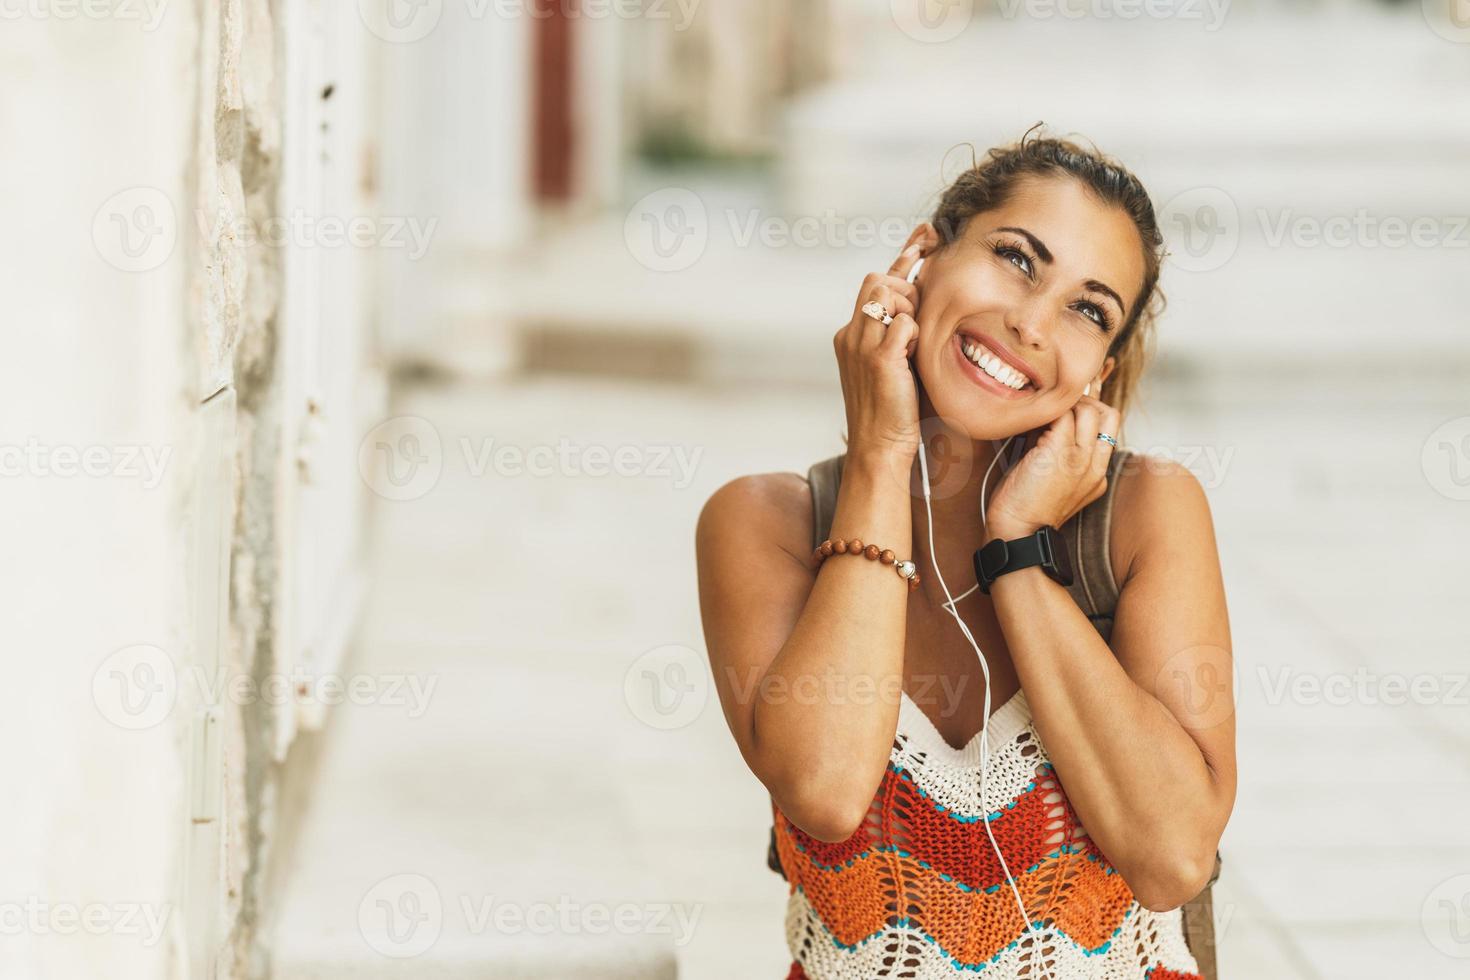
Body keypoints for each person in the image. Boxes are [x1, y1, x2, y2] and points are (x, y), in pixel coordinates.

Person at [695, 130, 1237, 979]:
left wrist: (1017, 555)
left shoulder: (1147, 514)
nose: (1030, 322)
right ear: (923, 258)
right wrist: (881, 453)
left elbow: (1169, 859)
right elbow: (828, 791)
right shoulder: (762, 524)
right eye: (1017, 259)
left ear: (1101, 368)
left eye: (1087, 311)